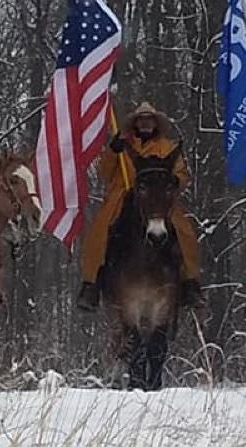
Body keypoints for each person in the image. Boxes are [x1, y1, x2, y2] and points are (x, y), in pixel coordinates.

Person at [77, 102, 202, 312]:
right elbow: (104, 174)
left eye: (149, 119)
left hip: (159, 198)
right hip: (122, 194)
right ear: (135, 123)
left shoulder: (167, 147)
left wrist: (172, 181)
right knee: (98, 232)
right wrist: (112, 151)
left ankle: (190, 282)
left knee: (184, 230)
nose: (145, 123)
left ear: (155, 123)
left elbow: (180, 174)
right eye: (141, 119)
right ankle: (91, 284)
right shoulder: (124, 145)